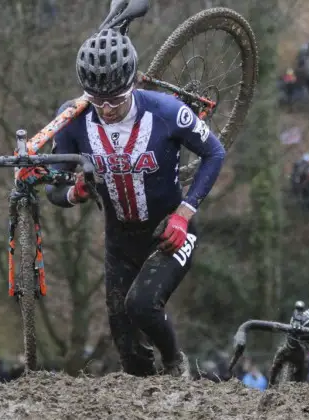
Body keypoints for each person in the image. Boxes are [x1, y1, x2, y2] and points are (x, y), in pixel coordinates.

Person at [38, 28, 225, 378]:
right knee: (130, 355)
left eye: (117, 100)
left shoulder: (167, 111)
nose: (107, 109)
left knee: (142, 305)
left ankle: (175, 364)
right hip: (120, 240)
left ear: (133, 85)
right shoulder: (73, 121)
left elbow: (215, 152)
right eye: (98, 101)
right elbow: (53, 187)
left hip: (170, 232)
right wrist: (72, 193)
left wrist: (185, 213)